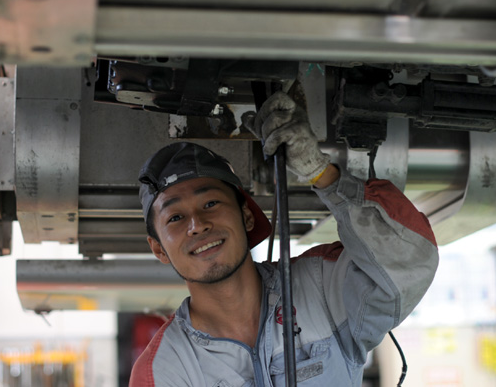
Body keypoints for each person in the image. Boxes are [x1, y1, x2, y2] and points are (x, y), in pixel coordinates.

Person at [130, 92, 439, 386]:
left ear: (247, 216)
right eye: (175, 217)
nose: (197, 225)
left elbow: (410, 260)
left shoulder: (321, 286)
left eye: (211, 203)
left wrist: (321, 173)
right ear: (159, 248)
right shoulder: (164, 369)